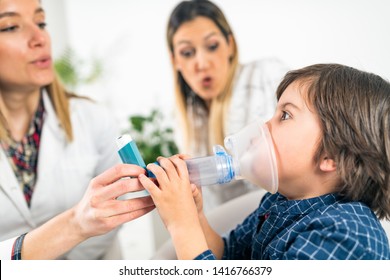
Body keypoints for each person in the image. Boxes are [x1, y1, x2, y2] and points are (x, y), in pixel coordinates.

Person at [139, 63, 390, 259]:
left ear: (331, 155)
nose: (264, 125)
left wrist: (181, 226)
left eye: (285, 115)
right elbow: (228, 257)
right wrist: (194, 215)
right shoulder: (280, 201)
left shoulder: (345, 237)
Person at [0, 0, 154, 259]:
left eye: (41, 23)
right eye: (11, 26)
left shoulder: (94, 119)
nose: (39, 38)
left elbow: (115, 214)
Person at [166, 0, 289, 211]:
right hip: (228, 231)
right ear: (175, 61)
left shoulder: (267, 75)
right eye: (187, 53)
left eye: (212, 46)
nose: (202, 63)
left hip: (279, 214)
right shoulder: (184, 119)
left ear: (230, 45)